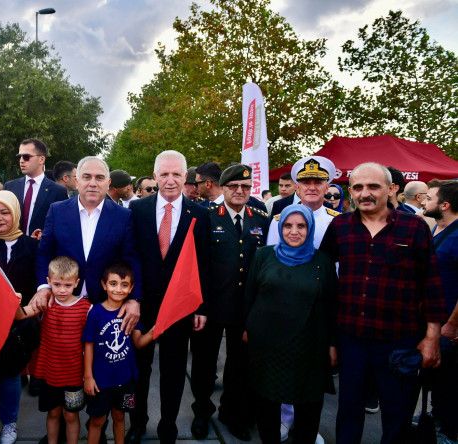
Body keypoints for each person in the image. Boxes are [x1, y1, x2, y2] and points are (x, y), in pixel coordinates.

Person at [320, 162, 445, 444]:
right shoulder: (340, 226)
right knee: (349, 413)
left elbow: (431, 283)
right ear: (350, 191)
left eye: (373, 186)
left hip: (399, 342)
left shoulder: (414, 228)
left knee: (397, 417)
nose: (366, 193)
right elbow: (323, 278)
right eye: (359, 187)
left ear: (390, 189)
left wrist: (432, 335)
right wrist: (327, 338)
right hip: (351, 341)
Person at [127, 150, 210, 444]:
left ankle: (168, 425)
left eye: (177, 174)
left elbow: (204, 264)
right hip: (142, 306)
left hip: (180, 307)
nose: (171, 180)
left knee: (174, 372)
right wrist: (131, 297)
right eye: (164, 174)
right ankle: (137, 422)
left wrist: (201, 306)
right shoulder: (136, 211)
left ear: (185, 176)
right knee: (138, 371)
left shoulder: (200, 215)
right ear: (155, 175)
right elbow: (130, 256)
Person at [244, 205, 337, 444]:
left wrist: (333, 344)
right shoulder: (264, 255)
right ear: (280, 227)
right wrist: (247, 328)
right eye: (287, 225)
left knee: (308, 407)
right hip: (267, 346)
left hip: (309, 347)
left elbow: (331, 305)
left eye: (301, 226)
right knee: (266, 405)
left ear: (310, 228)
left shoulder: (323, 261)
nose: (293, 231)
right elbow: (249, 295)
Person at [190, 164, 269, 441]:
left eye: (245, 187)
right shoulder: (206, 216)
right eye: (234, 186)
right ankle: (201, 412)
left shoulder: (260, 218)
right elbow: (195, 265)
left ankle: (232, 413)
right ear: (222, 188)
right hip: (210, 306)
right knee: (203, 364)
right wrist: (198, 306)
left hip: (244, 307)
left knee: (239, 365)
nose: (239, 191)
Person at [30, 156, 142, 329]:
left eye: (99, 178)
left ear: (108, 183)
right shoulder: (57, 211)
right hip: (62, 305)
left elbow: (131, 260)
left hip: (106, 307)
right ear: (76, 181)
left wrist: (134, 298)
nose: (93, 183)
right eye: (86, 177)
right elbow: (45, 253)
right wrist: (44, 287)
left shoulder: (123, 216)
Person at [0, 191, 40, 444]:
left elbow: (40, 282)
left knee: (10, 374)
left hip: (17, 324)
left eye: (4, 212)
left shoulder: (31, 245)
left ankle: (9, 423)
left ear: (15, 213)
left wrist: (27, 311)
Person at [83, 263, 155, 444]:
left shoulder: (131, 315)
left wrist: (156, 330)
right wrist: (88, 376)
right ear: (104, 285)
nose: (118, 289)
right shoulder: (96, 313)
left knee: (119, 417)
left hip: (124, 380)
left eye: (124, 284)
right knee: (97, 421)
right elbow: (89, 345)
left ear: (131, 288)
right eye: (113, 283)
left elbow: (138, 343)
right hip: (101, 381)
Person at [28, 256, 92, 444]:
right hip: (50, 374)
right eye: (56, 284)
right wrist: (12, 300)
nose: (62, 290)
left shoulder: (86, 308)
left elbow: (90, 344)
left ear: (76, 283)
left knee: (71, 416)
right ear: (48, 282)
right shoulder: (44, 304)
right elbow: (20, 314)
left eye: (67, 285)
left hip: (75, 375)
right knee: (53, 412)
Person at [421, 179, 458, 444]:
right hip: (434, 320)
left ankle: (448, 432)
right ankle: (437, 419)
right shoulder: (438, 229)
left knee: (449, 382)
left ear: (444, 205)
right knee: (437, 379)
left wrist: (453, 325)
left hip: (448, 324)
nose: (423, 201)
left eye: (429, 198)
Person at [4, 139, 68, 238]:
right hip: (12, 248)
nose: (21, 160)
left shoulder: (57, 191)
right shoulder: (10, 187)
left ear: (41, 159)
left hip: (41, 249)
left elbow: (62, 225)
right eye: (19, 156)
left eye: (26, 157)